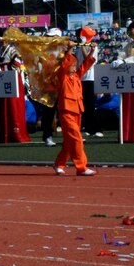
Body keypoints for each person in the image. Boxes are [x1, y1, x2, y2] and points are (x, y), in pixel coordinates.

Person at [54, 41, 97, 175]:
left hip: (77, 111)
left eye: (74, 64)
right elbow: (64, 63)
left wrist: (91, 51)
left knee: (69, 141)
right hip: (66, 111)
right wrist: (70, 49)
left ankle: (59, 164)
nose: (74, 66)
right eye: (72, 65)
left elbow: (86, 65)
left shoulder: (77, 77)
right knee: (76, 139)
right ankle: (81, 167)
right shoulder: (62, 77)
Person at [75, 27, 103, 137]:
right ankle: (88, 127)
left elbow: (89, 61)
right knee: (83, 105)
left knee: (91, 104)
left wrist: (83, 46)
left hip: (90, 78)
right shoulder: (78, 49)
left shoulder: (93, 47)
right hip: (81, 78)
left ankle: (97, 128)